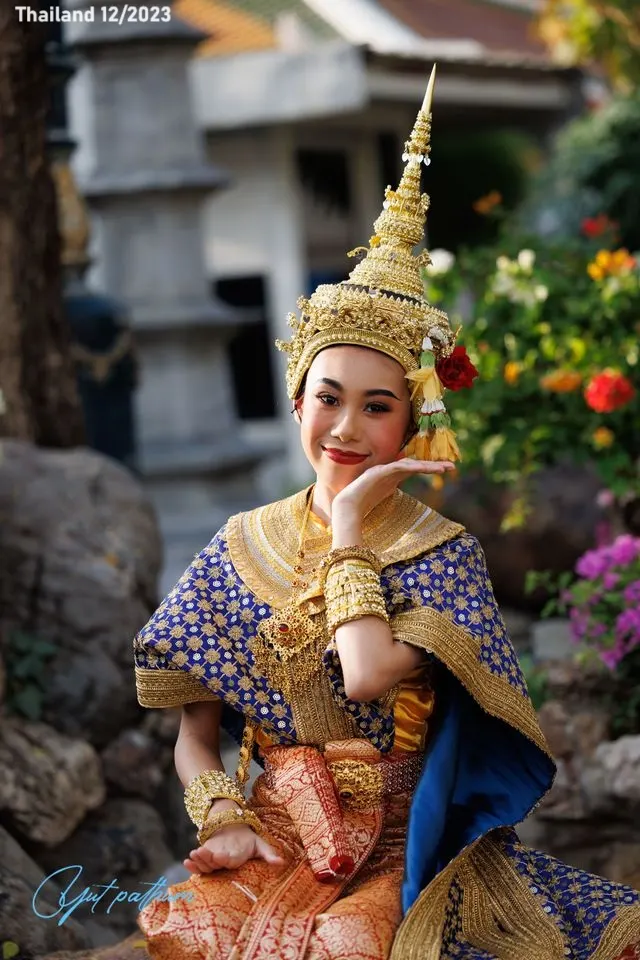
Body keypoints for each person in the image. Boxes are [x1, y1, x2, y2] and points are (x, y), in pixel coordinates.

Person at [130, 69, 640, 960]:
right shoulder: (238, 543)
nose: (347, 428)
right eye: (329, 397)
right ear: (296, 399)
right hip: (275, 836)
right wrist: (227, 819)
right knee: (188, 927)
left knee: (346, 949)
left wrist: (355, 531)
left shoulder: (442, 552)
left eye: (379, 405)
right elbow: (197, 733)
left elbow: (365, 675)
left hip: (404, 848)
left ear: (414, 419)